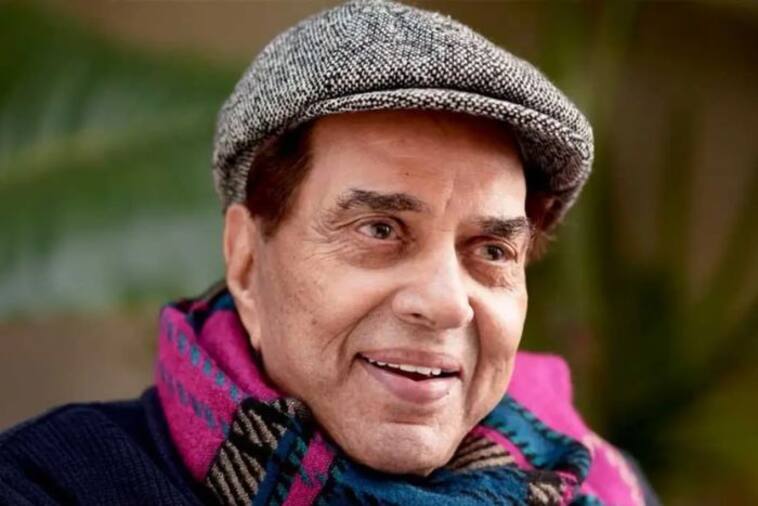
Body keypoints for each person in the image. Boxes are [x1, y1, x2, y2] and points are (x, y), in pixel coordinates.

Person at [0, 1, 658, 504]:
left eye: (491, 249)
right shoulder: (48, 486)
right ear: (246, 262)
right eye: (381, 230)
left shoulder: (602, 486)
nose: (446, 304)